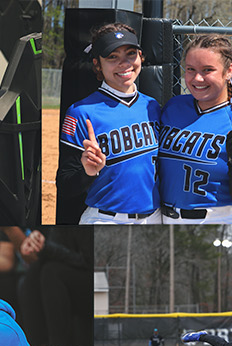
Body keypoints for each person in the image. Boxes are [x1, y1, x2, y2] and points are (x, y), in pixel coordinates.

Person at [157, 34, 232, 224]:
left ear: (228, 71)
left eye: (208, 70)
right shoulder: (173, 106)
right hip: (160, 217)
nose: (197, 78)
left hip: (214, 220)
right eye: (191, 69)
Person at [61, 23, 162, 224]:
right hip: (106, 219)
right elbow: (64, 185)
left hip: (155, 218)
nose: (124, 64)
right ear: (97, 64)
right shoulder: (81, 112)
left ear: (141, 57)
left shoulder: (153, 106)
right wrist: (88, 172)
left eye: (130, 54)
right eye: (112, 57)